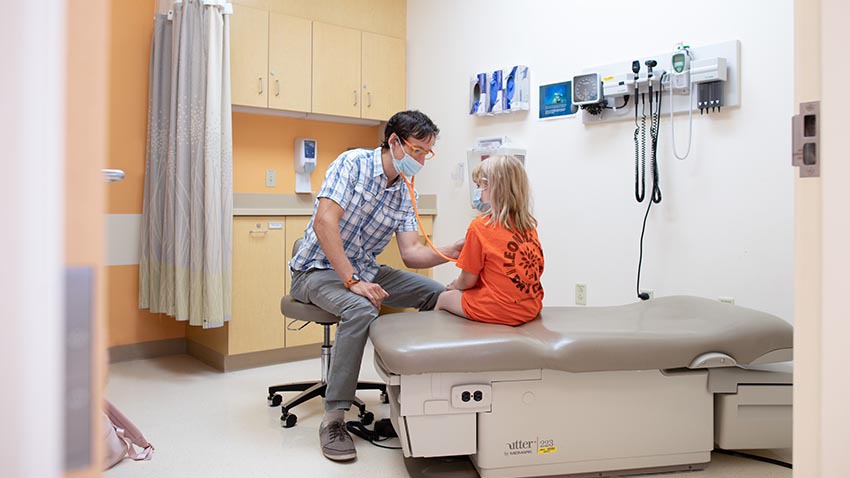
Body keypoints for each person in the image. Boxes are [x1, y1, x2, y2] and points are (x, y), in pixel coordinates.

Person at [288, 110, 463, 462]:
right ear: (394, 141)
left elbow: (412, 253)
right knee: (361, 307)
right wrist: (352, 280)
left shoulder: (404, 190)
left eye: (426, 154)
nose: (420, 161)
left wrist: (452, 252)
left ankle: (419, 395)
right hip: (316, 271)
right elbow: (325, 223)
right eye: (416, 151)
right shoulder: (351, 164)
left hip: (366, 269)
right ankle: (334, 418)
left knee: (438, 294)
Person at [436, 155, 544, 326]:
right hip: (530, 307)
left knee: (444, 298)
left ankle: (439, 346)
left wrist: (455, 285)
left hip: (499, 309)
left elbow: (467, 281)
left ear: (491, 188)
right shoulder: (528, 227)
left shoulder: (480, 227)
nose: (477, 190)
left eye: (479, 185)